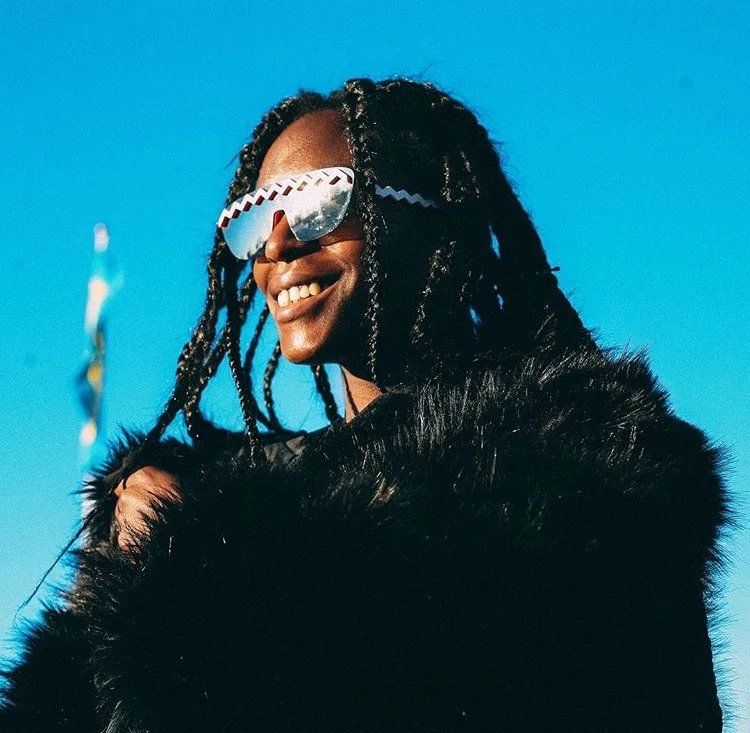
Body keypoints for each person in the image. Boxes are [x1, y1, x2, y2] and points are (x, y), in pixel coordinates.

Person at [0, 78, 729, 731]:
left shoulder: (591, 476)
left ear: (433, 217)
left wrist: (185, 569)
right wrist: (131, 563)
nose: (276, 245)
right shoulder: (213, 490)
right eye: (252, 219)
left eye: (318, 201)